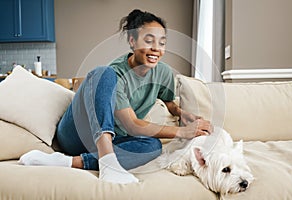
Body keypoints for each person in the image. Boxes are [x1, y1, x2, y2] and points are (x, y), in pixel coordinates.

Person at [19, 9, 213, 184]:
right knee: (103, 73)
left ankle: (69, 162)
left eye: (162, 43)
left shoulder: (162, 73)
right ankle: (107, 162)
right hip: (76, 134)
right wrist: (181, 132)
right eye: (148, 40)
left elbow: (168, 100)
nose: (156, 48)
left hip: (114, 140)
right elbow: (132, 124)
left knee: (153, 146)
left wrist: (180, 112)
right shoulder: (117, 72)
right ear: (132, 41)